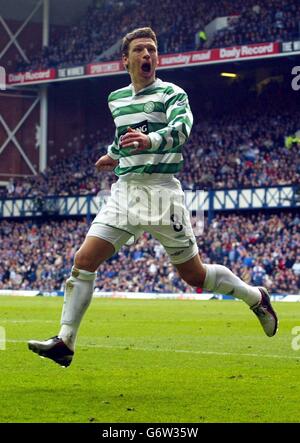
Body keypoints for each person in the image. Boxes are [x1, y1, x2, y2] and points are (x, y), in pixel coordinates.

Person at [28, 27, 278, 367]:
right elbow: (125, 136)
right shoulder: (116, 99)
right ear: (126, 60)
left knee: (194, 276)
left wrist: (151, 142)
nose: (147, 55)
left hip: (162, 193)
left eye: (152, 50)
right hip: (125, 192)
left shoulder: (173, 94)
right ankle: (66, 341)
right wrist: (113, 155)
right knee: (84, 261)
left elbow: (181, 129)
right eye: (140, 50)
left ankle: (256, 297)